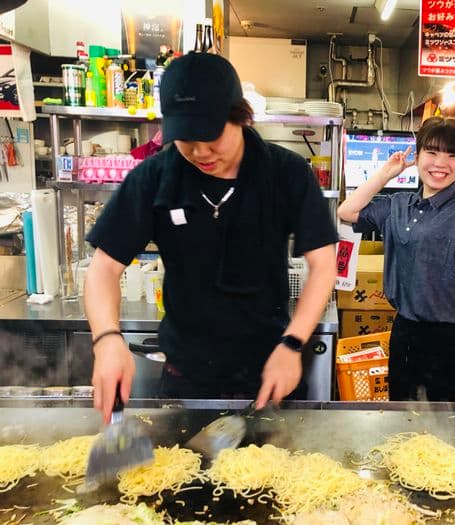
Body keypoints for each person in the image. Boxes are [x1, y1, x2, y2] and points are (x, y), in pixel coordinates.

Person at [84, 53, 338, 422]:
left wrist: (293, 342)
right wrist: (107, 339)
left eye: (211, 135)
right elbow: (104, 268)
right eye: (186, 138)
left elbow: (323, 263)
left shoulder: (287, 173)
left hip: (269, 374)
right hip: (186, 381)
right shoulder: (154, 178)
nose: (200, 152)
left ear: (241, 116)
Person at [337, 116, 455, 402]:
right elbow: (347, 212)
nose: (440, 163)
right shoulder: (398, 204)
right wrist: (387, 172)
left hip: (453, 341)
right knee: (402, 423)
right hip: (405, 332)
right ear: (418, 155)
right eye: (431, 152)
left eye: (451, 154)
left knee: (451, 431)